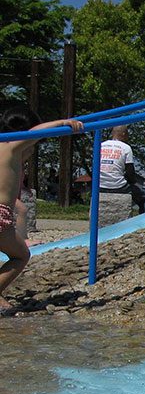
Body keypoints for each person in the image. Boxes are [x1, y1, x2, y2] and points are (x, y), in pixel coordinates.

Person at [0, 104, 84, 316]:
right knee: (21, 255)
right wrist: (62, 123)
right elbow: (34, 133)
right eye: (32, 147)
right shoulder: (12, 147)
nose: (32, 150)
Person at [99, 125, 145, 215]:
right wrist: (133, 182)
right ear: (124, 134)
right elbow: (130, 174)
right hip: (118, 186)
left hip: (100, 186)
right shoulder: (126, 148)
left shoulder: (101, 145)